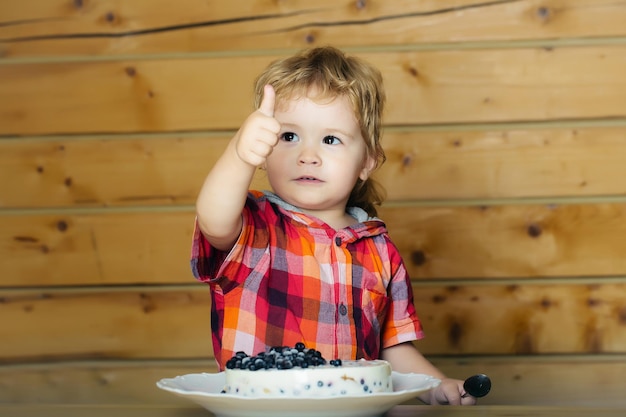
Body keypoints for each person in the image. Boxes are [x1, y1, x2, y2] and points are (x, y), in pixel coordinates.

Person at [191, 46, 476, 405]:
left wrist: (435, 386)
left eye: (330, 139)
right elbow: (213, 220)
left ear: (366, 162)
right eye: (288, 136)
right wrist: (239, 153)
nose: (307, 154)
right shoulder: (256, 226)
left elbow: (393, 349)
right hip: (265, 410)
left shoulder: (379, 250)